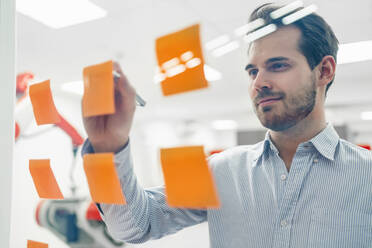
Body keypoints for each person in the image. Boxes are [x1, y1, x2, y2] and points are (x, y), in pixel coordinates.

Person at [82, 3, 372, 248]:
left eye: (278, 65)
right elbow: (131, 226)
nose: (259, 83)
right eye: (252, 71)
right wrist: (110, 147)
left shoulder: (366, 175)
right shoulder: (221, 170)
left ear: (324, 70)